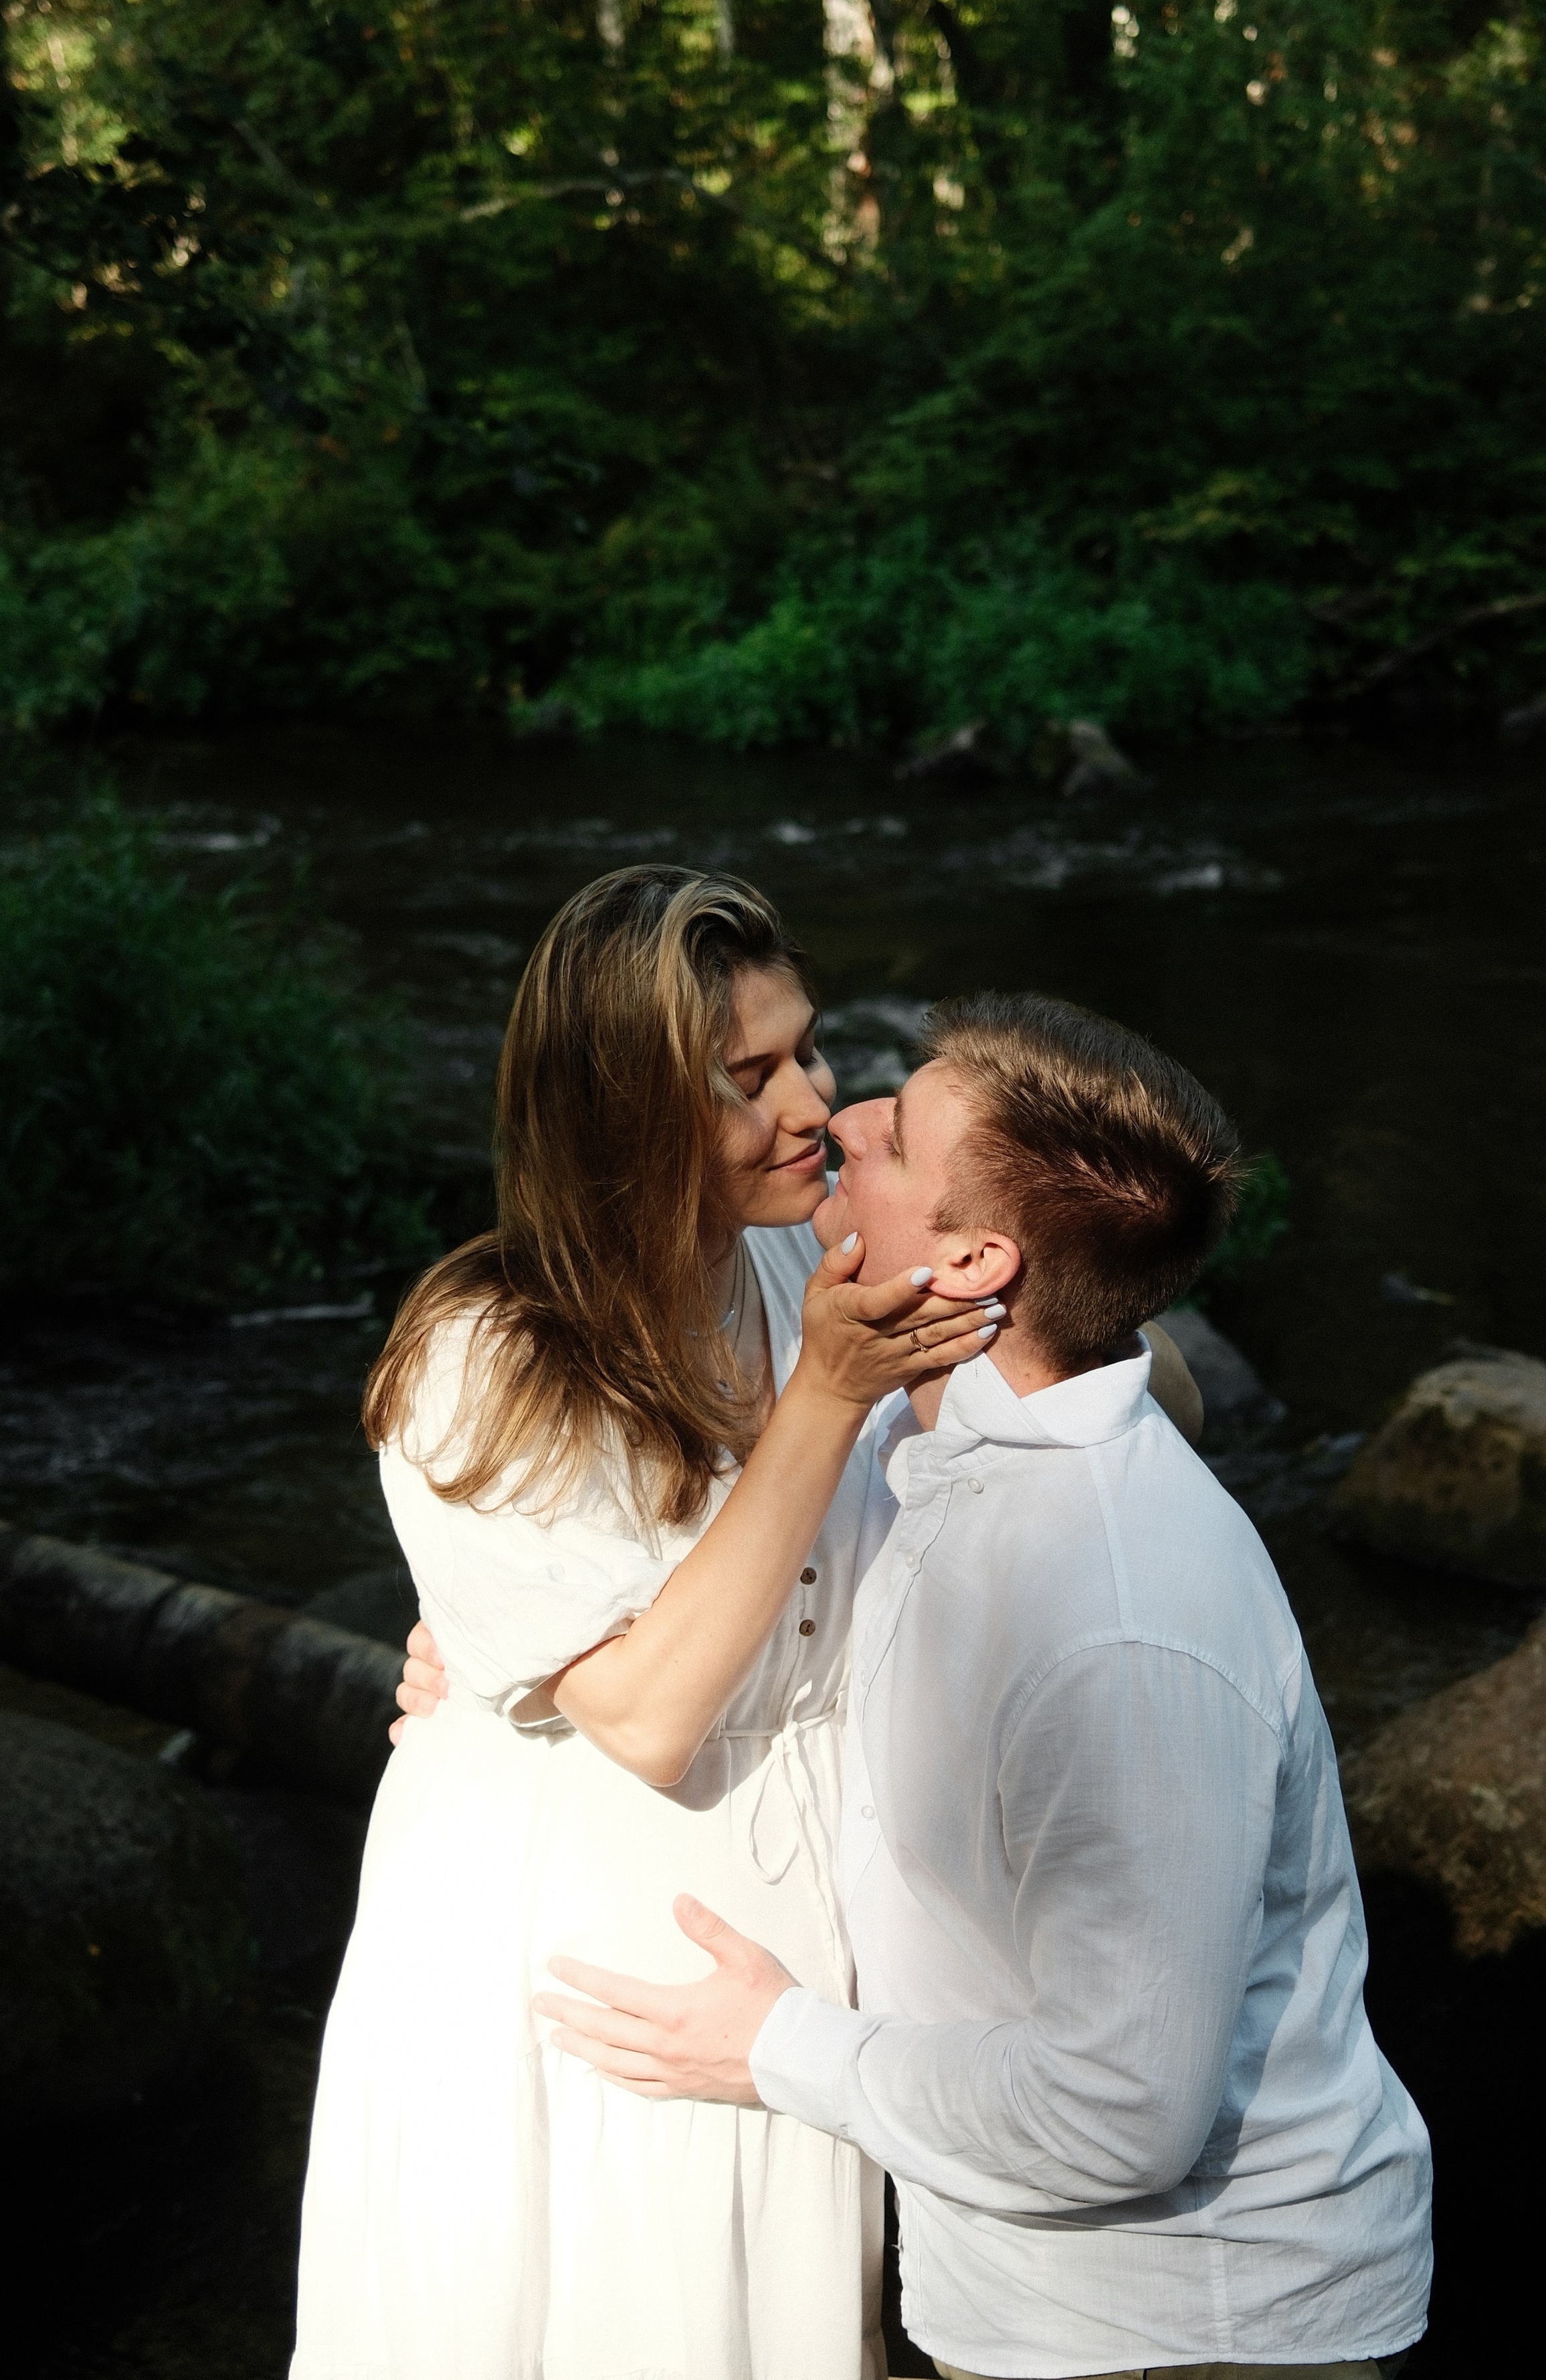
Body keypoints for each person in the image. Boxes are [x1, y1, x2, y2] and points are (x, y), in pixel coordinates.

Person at [535, 992, 1435, 2380]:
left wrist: (777, 2050)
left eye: (892, 1139)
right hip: (1039, 2307)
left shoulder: (1115, 1628)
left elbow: (1120, 2113)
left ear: (969, 1260)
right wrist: (511, 1640)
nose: (843, 1119)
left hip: (1183, 2333)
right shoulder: (935, 1417)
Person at [290, 866, 1004, 2380]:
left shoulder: (805, 1255)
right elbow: (644, 1713)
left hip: (796, 1939)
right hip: (574, 1962)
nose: (811, 1101)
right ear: (621, 1112)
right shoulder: (486, 1353)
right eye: (746, 1080)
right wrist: (828, 1398)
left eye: (805, 1049)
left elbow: (1127, 1381)